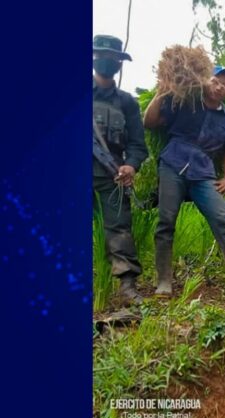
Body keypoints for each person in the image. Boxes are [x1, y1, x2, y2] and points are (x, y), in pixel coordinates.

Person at [143, 65, 225, 296]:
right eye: (216, 81)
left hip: (203, 172)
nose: (220, 87)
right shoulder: (186, 101)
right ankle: (164, 281)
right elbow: (150, 122)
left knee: (223, 221)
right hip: (173, 163)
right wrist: (161, 91)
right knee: (166, 222)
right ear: (205, 81)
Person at [93, 35, 148, 305]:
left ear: (119, 63)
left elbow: (138, 145)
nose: (107, 60)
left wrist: (131, 165)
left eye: (113, 57)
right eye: (102, 55)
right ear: (94, 58)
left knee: (119, 228)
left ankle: (127, 287)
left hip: (110, 175)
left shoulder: (127, 102)